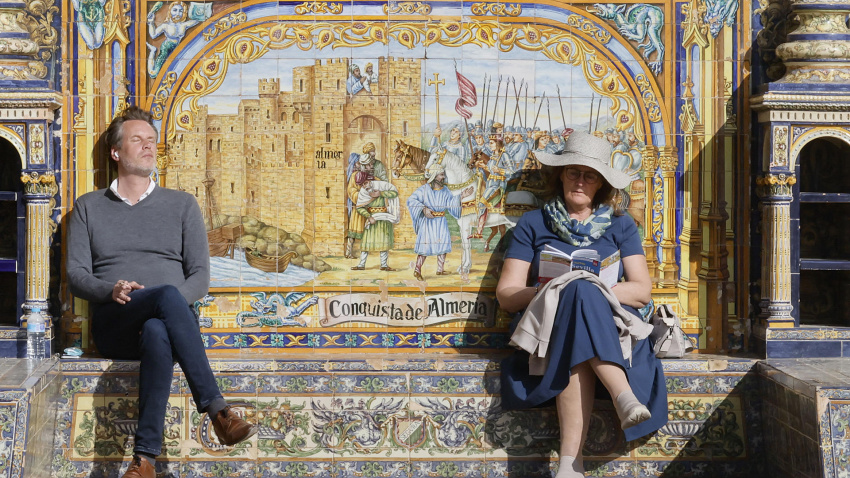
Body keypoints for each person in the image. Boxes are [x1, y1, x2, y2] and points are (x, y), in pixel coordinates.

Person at [66, 106, 257, 478]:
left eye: (152, 141)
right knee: (166, 297)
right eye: (137, 140)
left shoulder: (182, 204)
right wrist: (111, 289)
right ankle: (218, 410)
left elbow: (201, 277)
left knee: (158, 325)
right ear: (116, 152)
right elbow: (75, 274)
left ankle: (145, 461)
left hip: (167, 325)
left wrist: (170, 309)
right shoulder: (89, 207)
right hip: (116, 320)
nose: (148, 147)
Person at [496, 131, 666, 478]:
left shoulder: (621, 226)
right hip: (548, 328)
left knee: (584, 293)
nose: (580, 181)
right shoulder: (533, 224)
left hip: (610, 327)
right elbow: (507, 294)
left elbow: (641, 291)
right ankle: (624, 397)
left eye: (589, 175)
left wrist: (591, 288)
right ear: (560, 174)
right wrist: (558, 289)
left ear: (600, 183)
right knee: (575, 293)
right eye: (574, 172)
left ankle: (569, 467)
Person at [406, 163, 473, 280]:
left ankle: (440, 269)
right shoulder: (424, 189)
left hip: (441, 221)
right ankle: (417, 270)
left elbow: (451, 203)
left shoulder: (445, 190)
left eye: (443, 175)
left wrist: (462, 196)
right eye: (441, 175)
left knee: (443, 244)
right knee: (424, 246)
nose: (443, 177)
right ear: (434, 176)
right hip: (428, 222)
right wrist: (424, 208)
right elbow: (411, 200)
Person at [351, 172, 400, 271]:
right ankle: (361, 265)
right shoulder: (363, 193)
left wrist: (381, 193)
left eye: (365, 183)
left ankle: (384, 265)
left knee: (384, 243)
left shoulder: (381, 186)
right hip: (372, 220)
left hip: (384, 219)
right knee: (366, 243)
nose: (364, 186)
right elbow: (360, 208)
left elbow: (394, 193)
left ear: (370, 180)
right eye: (362, 184)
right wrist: (369, 217)